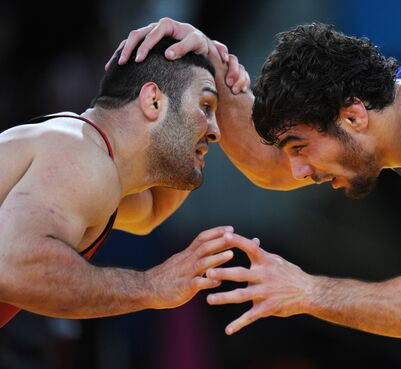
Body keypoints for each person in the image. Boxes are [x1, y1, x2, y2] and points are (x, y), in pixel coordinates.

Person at [116, 18, 401, 340]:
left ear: (353, 114)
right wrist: (209, 59)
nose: (300, 170)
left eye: (301, 148)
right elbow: (273, 166)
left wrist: (307, 291)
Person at [0, 36, 258, 328]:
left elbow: (149, 213)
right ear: (153, 100)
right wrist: (153, 286)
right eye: (206, 106)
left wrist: (211, 59)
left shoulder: (85, 151)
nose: (216, 132)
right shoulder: (81, 154)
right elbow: (15, 267)